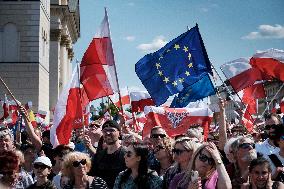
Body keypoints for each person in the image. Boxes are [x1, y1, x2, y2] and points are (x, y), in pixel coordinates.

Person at [89, 120, 126, 188]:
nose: (108, 133)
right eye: (105, 130)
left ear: (119, 133)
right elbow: (92, 176)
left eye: (112, 130)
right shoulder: (98, 156)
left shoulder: (126, 154)